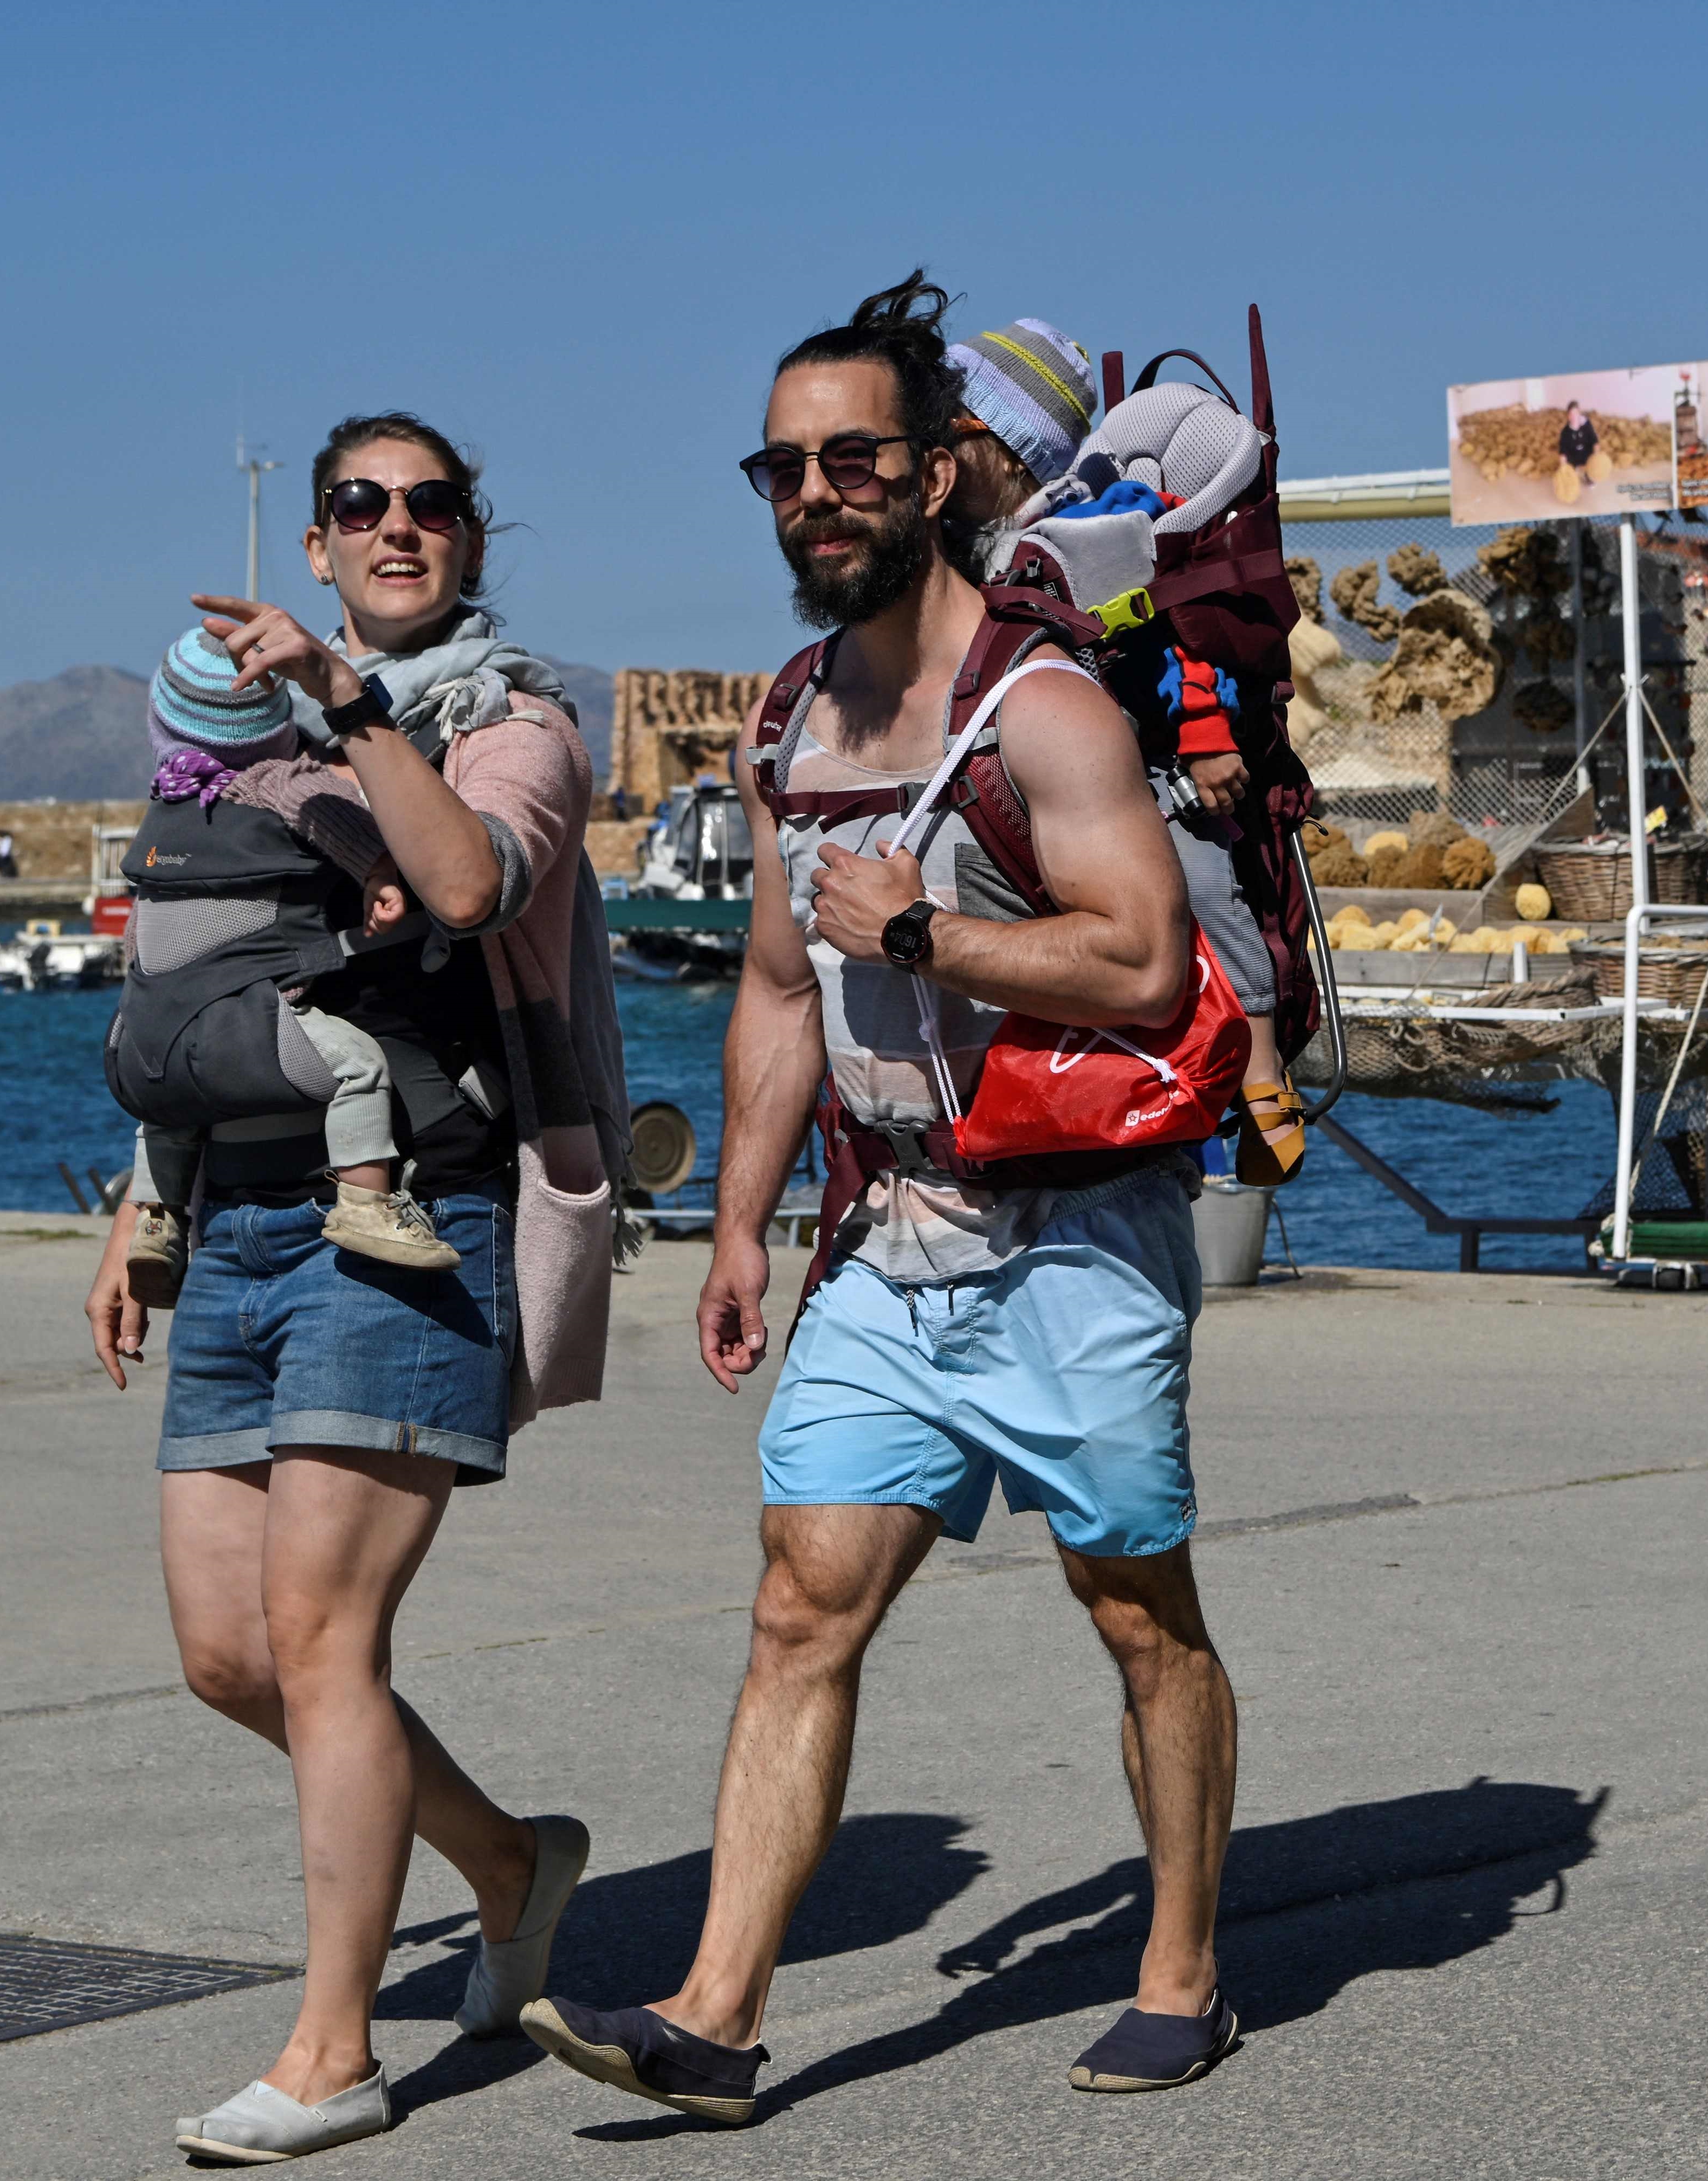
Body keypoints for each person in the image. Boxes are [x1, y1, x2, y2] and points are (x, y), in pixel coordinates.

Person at [522, 275, 1240, 2123]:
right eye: (784, 466)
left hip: (1075, 1234)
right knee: (800, 1606)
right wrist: (746, 1221)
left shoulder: (1042, 707)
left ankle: (1180, 1966)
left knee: (1135, 1609)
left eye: (854, 459)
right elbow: (775, 987)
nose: (815, 492)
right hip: (890, 1240)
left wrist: (923, 926)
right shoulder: (788, 721)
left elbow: (1147, 965)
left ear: (935, 477)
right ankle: (716, 2015)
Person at [84, 411, 627, 2165]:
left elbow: (467, 884)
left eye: (431, 503)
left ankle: (333, 2053)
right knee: (229, 1653)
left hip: (417, 1220)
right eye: (359, 505)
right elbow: (198, 986)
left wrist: (354, 704)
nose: (396, 526)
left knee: (326, 1638)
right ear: (316, 540)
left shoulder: (514, 724)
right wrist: (134, 1212)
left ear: (472, 535)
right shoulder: (230, 765)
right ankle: (508, 1859)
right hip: (238, 1220)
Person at [938, 314, 1303, 1184]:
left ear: (999, 444)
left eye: (946, 435)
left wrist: (1209, 737)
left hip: (1165, 761)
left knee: (1207, 894)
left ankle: (1262, 1080)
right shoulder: (996, 545)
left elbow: (1184, 628)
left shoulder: (1101, 520)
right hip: (1074, 761)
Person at [120, 627, 463, 1306]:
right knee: (358, 1066)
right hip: (258, 1028)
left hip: (144, 1039)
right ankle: (367, 1206)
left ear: (161, 725)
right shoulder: (278, 781)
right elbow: (345, 827)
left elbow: (140, 932)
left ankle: (154, 1221)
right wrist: (379, 874)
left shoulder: (161, 810)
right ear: (277, 726)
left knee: (168, 1105)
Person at [1555, 399, 1609, 503]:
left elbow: (1594, 440)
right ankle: (1575, 473)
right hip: (1573, 456)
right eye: (1571, 414)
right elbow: (1563, 450)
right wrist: (1563, 466)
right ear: (1568, 417)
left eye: (1576, 413)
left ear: (1579, 413)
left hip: (1586, 454)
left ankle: (1588, 476)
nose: (1574, 417)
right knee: (1569, 472)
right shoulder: (1565, 432)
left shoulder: (1587, 425)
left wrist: (1596, 456)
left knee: (1593, 467)